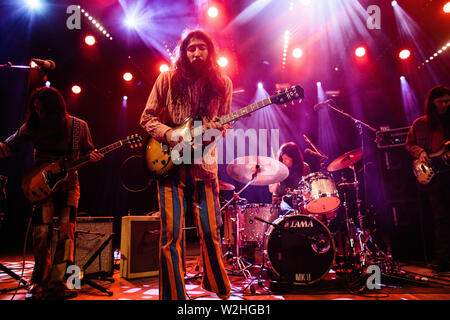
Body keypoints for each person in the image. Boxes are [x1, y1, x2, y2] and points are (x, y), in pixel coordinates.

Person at [140, 29, 232, 300]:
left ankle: (218, 286)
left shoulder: (222, 83)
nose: (196, 52)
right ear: (184, 52)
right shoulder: (166, 79)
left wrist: (212, 134)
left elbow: (224, 122)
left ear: (210, 51)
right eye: (191, 48)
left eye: (202, 47)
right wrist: (170, 134)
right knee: (171, 234)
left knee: (210, 229)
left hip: (205, 166)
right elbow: (146, 118)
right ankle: (173, 296)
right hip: (170, 165)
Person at [0, 86, 103, 299]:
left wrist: (92, 156)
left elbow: (88, 151)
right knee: (41, 233)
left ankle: (61, 281)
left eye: (43, 110)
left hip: (69, 185)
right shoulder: (34, 126)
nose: (39, 114)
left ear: (55, 109)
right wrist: (2, 146)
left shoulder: (78, 126)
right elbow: (11, 142)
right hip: (41, 185)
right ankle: (39, 280)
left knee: (67, 233)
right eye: (36, 109)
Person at [405, 84, 450, 273]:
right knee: (441, 218)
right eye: (441, 101)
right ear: (432, 103)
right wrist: (421, 152)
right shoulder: (420, 124)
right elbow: (410, 144)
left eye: (448, 101)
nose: (445, 105)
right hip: (436, 178)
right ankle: (443, 258)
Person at [269, 142, 310, 215]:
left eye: (286, 159)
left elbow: (308, 188)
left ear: (294, 159)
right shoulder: (277, 169)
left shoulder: (304, 167)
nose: (283, 161)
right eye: (282, 158)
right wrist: (277, 175)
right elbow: (271, 189)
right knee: (288, 208)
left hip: (299, 201)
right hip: (281, 202)